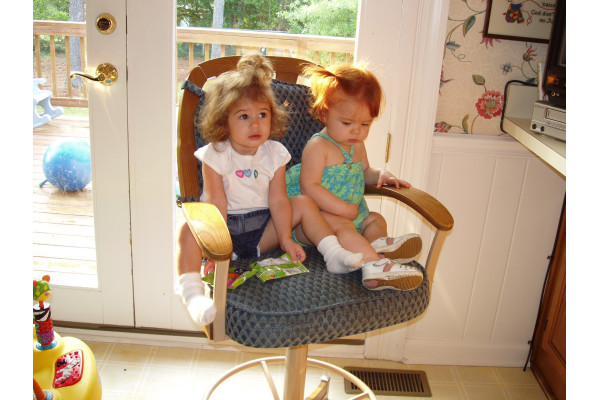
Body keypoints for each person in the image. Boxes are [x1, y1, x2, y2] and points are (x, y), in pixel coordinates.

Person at [176, 54, 363, 327]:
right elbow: (216, 203)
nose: (255, 124)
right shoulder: (215, 154)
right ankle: (193, 294)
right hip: (223, 228)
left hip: (263, 231)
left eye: (262, 114)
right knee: (186, 229)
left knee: (303, 202)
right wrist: (217, 249)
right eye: (244, 116)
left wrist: (286, 239)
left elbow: (278, 200)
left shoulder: (275, 153)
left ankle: (333, 253)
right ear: (223, 121)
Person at [286, 62, 423, 291]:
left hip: (351, 215)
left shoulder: (356, 145)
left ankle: (377, 250)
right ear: (324, 114)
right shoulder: (318, 146)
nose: (356, 130)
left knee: (376, 219)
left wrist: (381, 174)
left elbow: (365, 172)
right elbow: (309, 187)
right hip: (313, 224)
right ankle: (375, 263)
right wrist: (342, 209)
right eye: (347, 123)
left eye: (365, 124)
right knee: (345, 226)